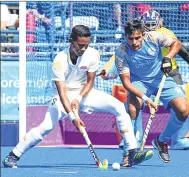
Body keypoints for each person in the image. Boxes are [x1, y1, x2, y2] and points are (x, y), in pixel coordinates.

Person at [2, 25, 154, 168]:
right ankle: (13, 155)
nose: (83, 49)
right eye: (80, 45)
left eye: (86, 45)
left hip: (84, 94)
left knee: (119, 107)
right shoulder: (59, 61)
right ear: (71, 42)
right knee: (46, 126)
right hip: (63, 97)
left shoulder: (93, 54)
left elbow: (90, 82)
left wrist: (79, 99)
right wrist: (73, 117)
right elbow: (62, 92)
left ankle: (131, 151)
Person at [114, 19, 189, 165]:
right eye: (130, 39)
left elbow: (177, 43)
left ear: (143, 35)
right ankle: (129, 152)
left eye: (137, 38)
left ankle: (161, 141)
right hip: (139, 83)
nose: (134, 42)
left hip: (161, 79)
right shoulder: (121, 52)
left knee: (183, 110)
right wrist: (147, 100)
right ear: (125, 37)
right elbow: (126, 83)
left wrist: (168, 57)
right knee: (131, 107)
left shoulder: (154, 37)